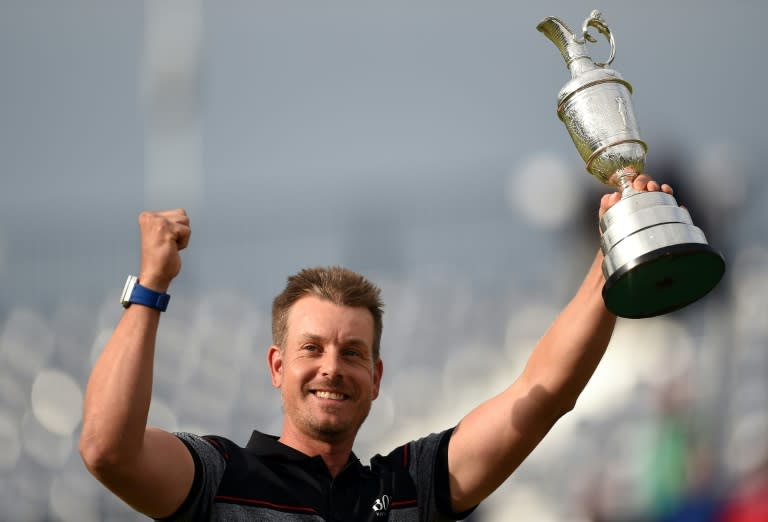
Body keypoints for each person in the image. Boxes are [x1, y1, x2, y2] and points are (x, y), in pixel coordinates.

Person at [80, 175, 673, 521]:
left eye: (353, 352)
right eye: (311, 348)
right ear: (277, 365)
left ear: (378, 374)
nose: (332, 368)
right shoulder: (219, 475)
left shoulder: (413, 486)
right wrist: (151, 285)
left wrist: (612, 256)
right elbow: (108, 450)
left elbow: (542, 395)